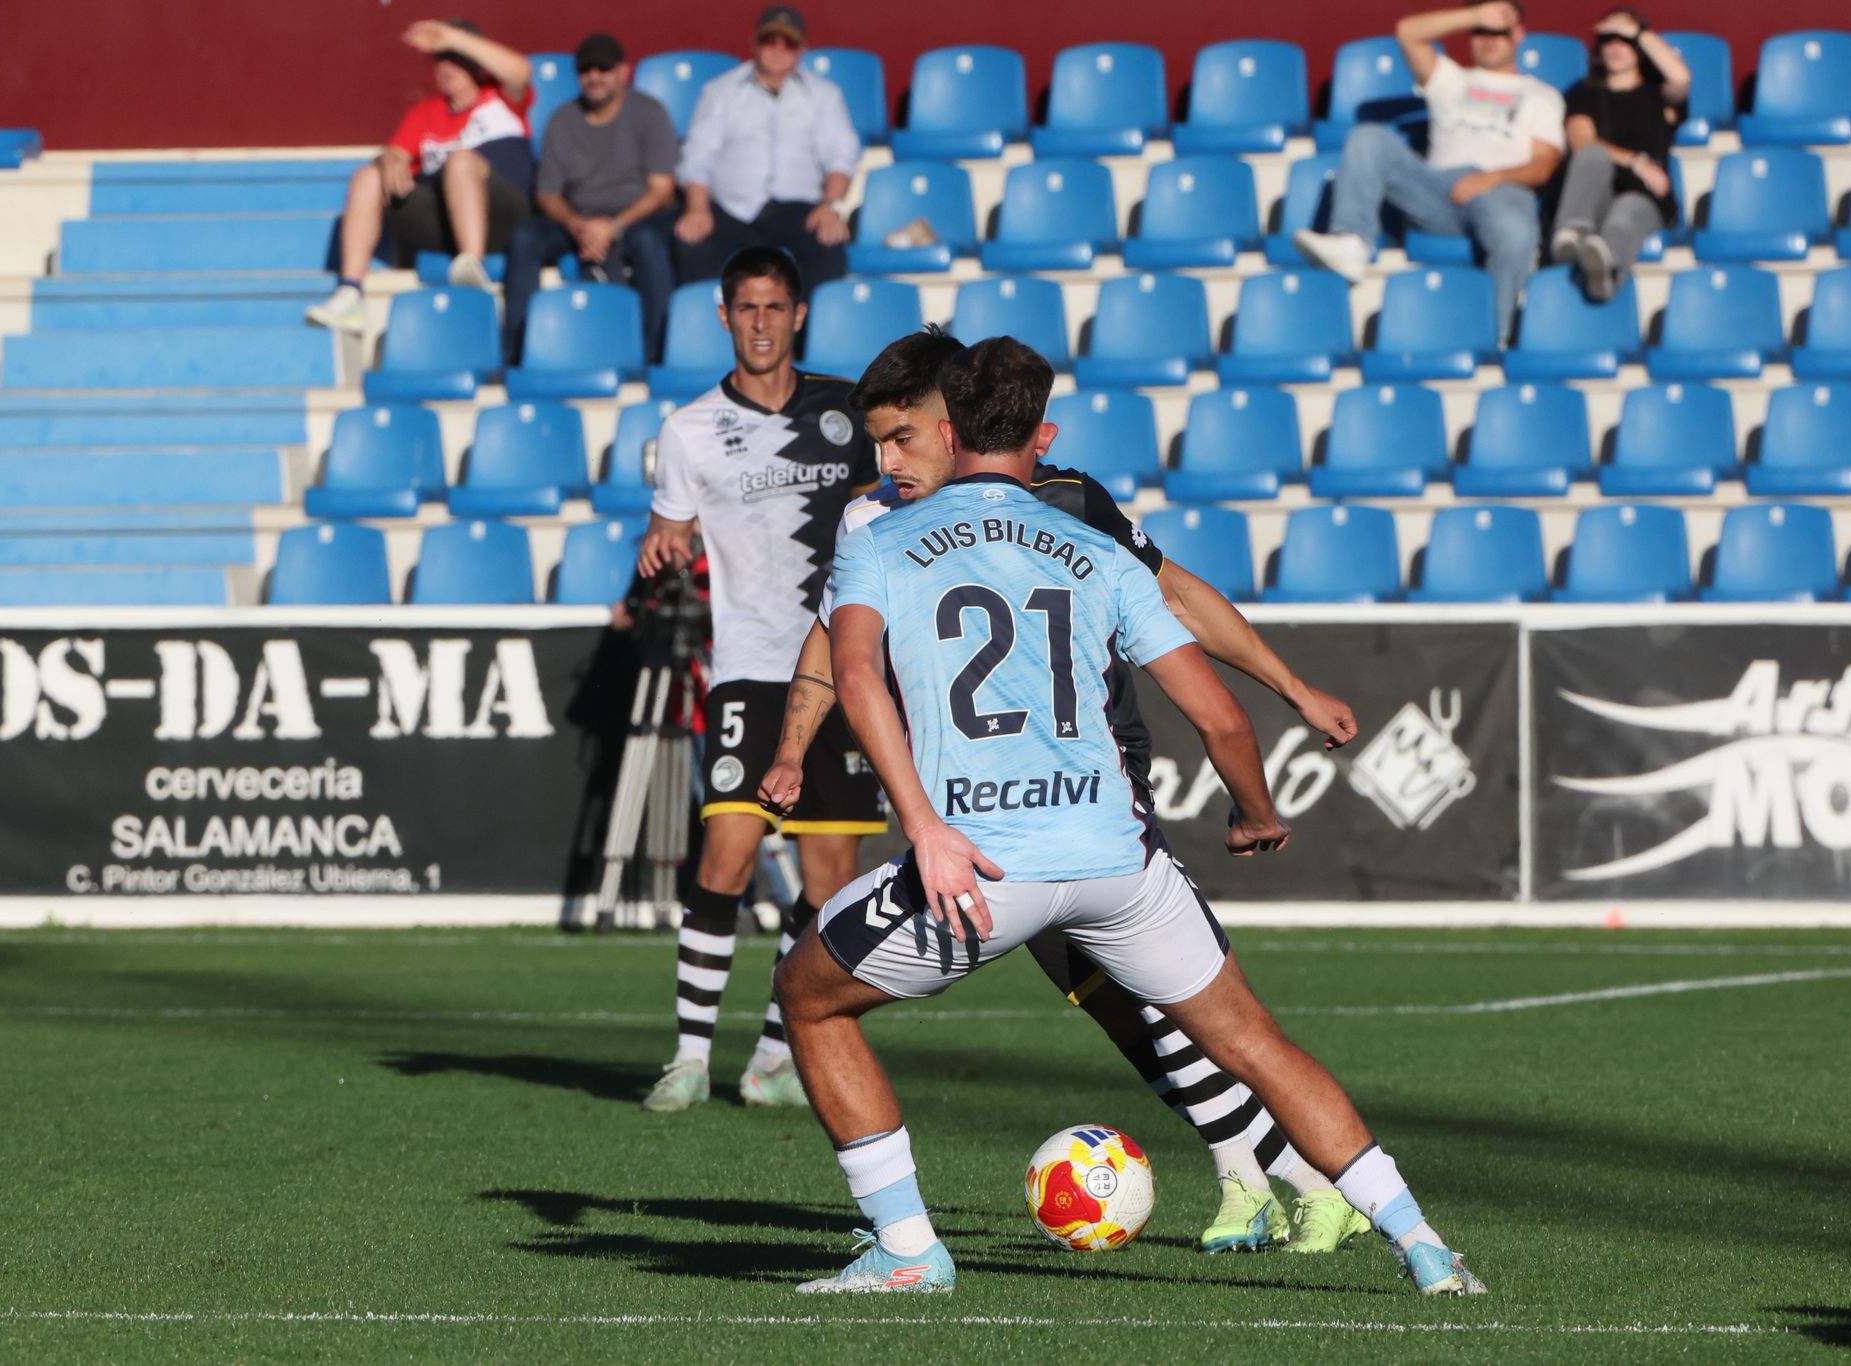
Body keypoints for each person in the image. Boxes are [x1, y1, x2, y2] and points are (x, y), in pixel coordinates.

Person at [775, 337, 1485, 1298]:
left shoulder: (879, 539)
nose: (887, 462)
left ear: (949, 430)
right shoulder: (1091, 545)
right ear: (1043, 433)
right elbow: (1220, 715)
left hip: (986, 867)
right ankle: (1424, 1243)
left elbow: (853, 670)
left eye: (903, 439)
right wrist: (1253, 811)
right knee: (1254, 1042)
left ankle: (908, 1248)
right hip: (1118, 856)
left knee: (811, 996)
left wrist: (924, 826)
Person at [632, 245, 883, 1114]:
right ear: (725, 316)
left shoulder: (848, 413)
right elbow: (667, 533)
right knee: (729, 852)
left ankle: (774, 1056)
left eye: (776, 307)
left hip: (845, 670)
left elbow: (886, 515)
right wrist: (661, 548)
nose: (762, 322)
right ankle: (690, 1056)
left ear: (799, 314)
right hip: (748, 670)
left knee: (828, 883)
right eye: (747, 308)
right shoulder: (689, 429)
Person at [1296, 1, 1565, 343]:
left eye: (1499, 30)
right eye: (1481, 30)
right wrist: (1474, 14)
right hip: (1435, 189)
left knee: (1516, 232)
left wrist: (1489, 179)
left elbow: (1543, 165)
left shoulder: (1541, 95)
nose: (1489, 38)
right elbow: (1407, 32)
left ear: (1518, 34)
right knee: (1368, 137)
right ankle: (1351, 241)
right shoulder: (1451, 79)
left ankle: (1494, 334)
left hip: (1500, 190)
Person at [307, 19, 534, 332]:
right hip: (448, 221)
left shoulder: (501, 96)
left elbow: (520, 69)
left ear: (474, 61)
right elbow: (395, 152)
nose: (444, 67)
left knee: (460, 161)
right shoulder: (426, 112)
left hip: (507, 216)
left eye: (453, 58)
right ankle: (350, 293)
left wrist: (452, 37)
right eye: (439, 59)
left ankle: (473, 270)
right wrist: (389, 161)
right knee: (368, 176)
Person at [503, 33, 680, 367]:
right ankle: (516, 353)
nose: (595, 76)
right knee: (524, 239)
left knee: (648, 242)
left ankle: (657, 354)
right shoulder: (562, 120)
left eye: (604, 68)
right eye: (586, 70)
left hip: (636, 215)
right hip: (579, 216)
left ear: (623, 72)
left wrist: (612, 227)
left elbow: (662, 190)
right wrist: (578, 225)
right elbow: (548, 194)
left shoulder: (649, 113)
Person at [672, 6, 860, 303]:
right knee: (691, 243)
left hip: (798, 210)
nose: (778, 49)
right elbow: (697, 156)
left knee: (828, 245)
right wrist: (697, 208)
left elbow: (841, 154)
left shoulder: (824, 94)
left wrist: (831, 205)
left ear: (802, 49)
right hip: (730, 210)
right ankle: (706, 340)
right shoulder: (720, 91)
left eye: (789, 42)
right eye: (770, 40)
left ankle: (808, 341)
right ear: (755, 42)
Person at [1549, 10, 1691, 302]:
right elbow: (1582, 141)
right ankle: (1570, 235)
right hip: (1595, 195)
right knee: (1593, 156)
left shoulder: (1657, 94)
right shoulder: (1583, 93)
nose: (1615, 47)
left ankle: (1606, 272)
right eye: (1607, 40)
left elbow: (1681, 77)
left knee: (1626, 214)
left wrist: (1638, 30)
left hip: (1643, 197)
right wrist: (1636, 162)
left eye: (1623, 40)